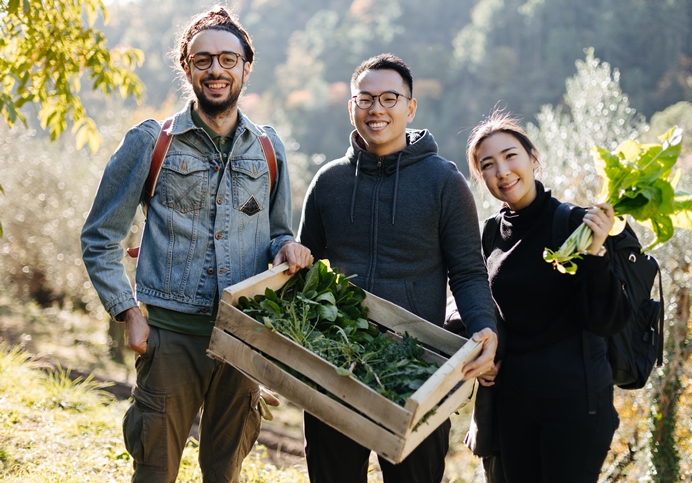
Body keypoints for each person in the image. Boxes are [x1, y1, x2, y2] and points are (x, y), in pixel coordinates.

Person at [80, 7, 311, 482]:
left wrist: (288, 248)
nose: (216, 70)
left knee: (224, 471)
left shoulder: (268, 147)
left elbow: (277, 231)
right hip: (169, 338)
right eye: (202, 59)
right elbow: (100, 237)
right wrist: (129, 311)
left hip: (242, 340)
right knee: (155, 469)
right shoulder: (151, 142)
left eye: (229, 59)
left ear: (247, 67)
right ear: (186, 68)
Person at [297, 53, 499, 483]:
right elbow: (303, 268)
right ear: (351, 106)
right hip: (337, 362)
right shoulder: (328, 182)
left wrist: (484, 326)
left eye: (390, 98)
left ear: (410, 107)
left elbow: (467, 271)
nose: (377, 109)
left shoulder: (444, 183)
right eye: (366, 98)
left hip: (417, 368)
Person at [465, 111, 631, 483]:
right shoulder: (491, 233)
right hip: (514, 403)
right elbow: (488, 309)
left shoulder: (575, 224)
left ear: (532, 158)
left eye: (511, 156)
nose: (502, 172)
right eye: (487, 165)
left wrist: (597, 255)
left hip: (575, 401)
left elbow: (606, 319)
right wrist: (488, 353)